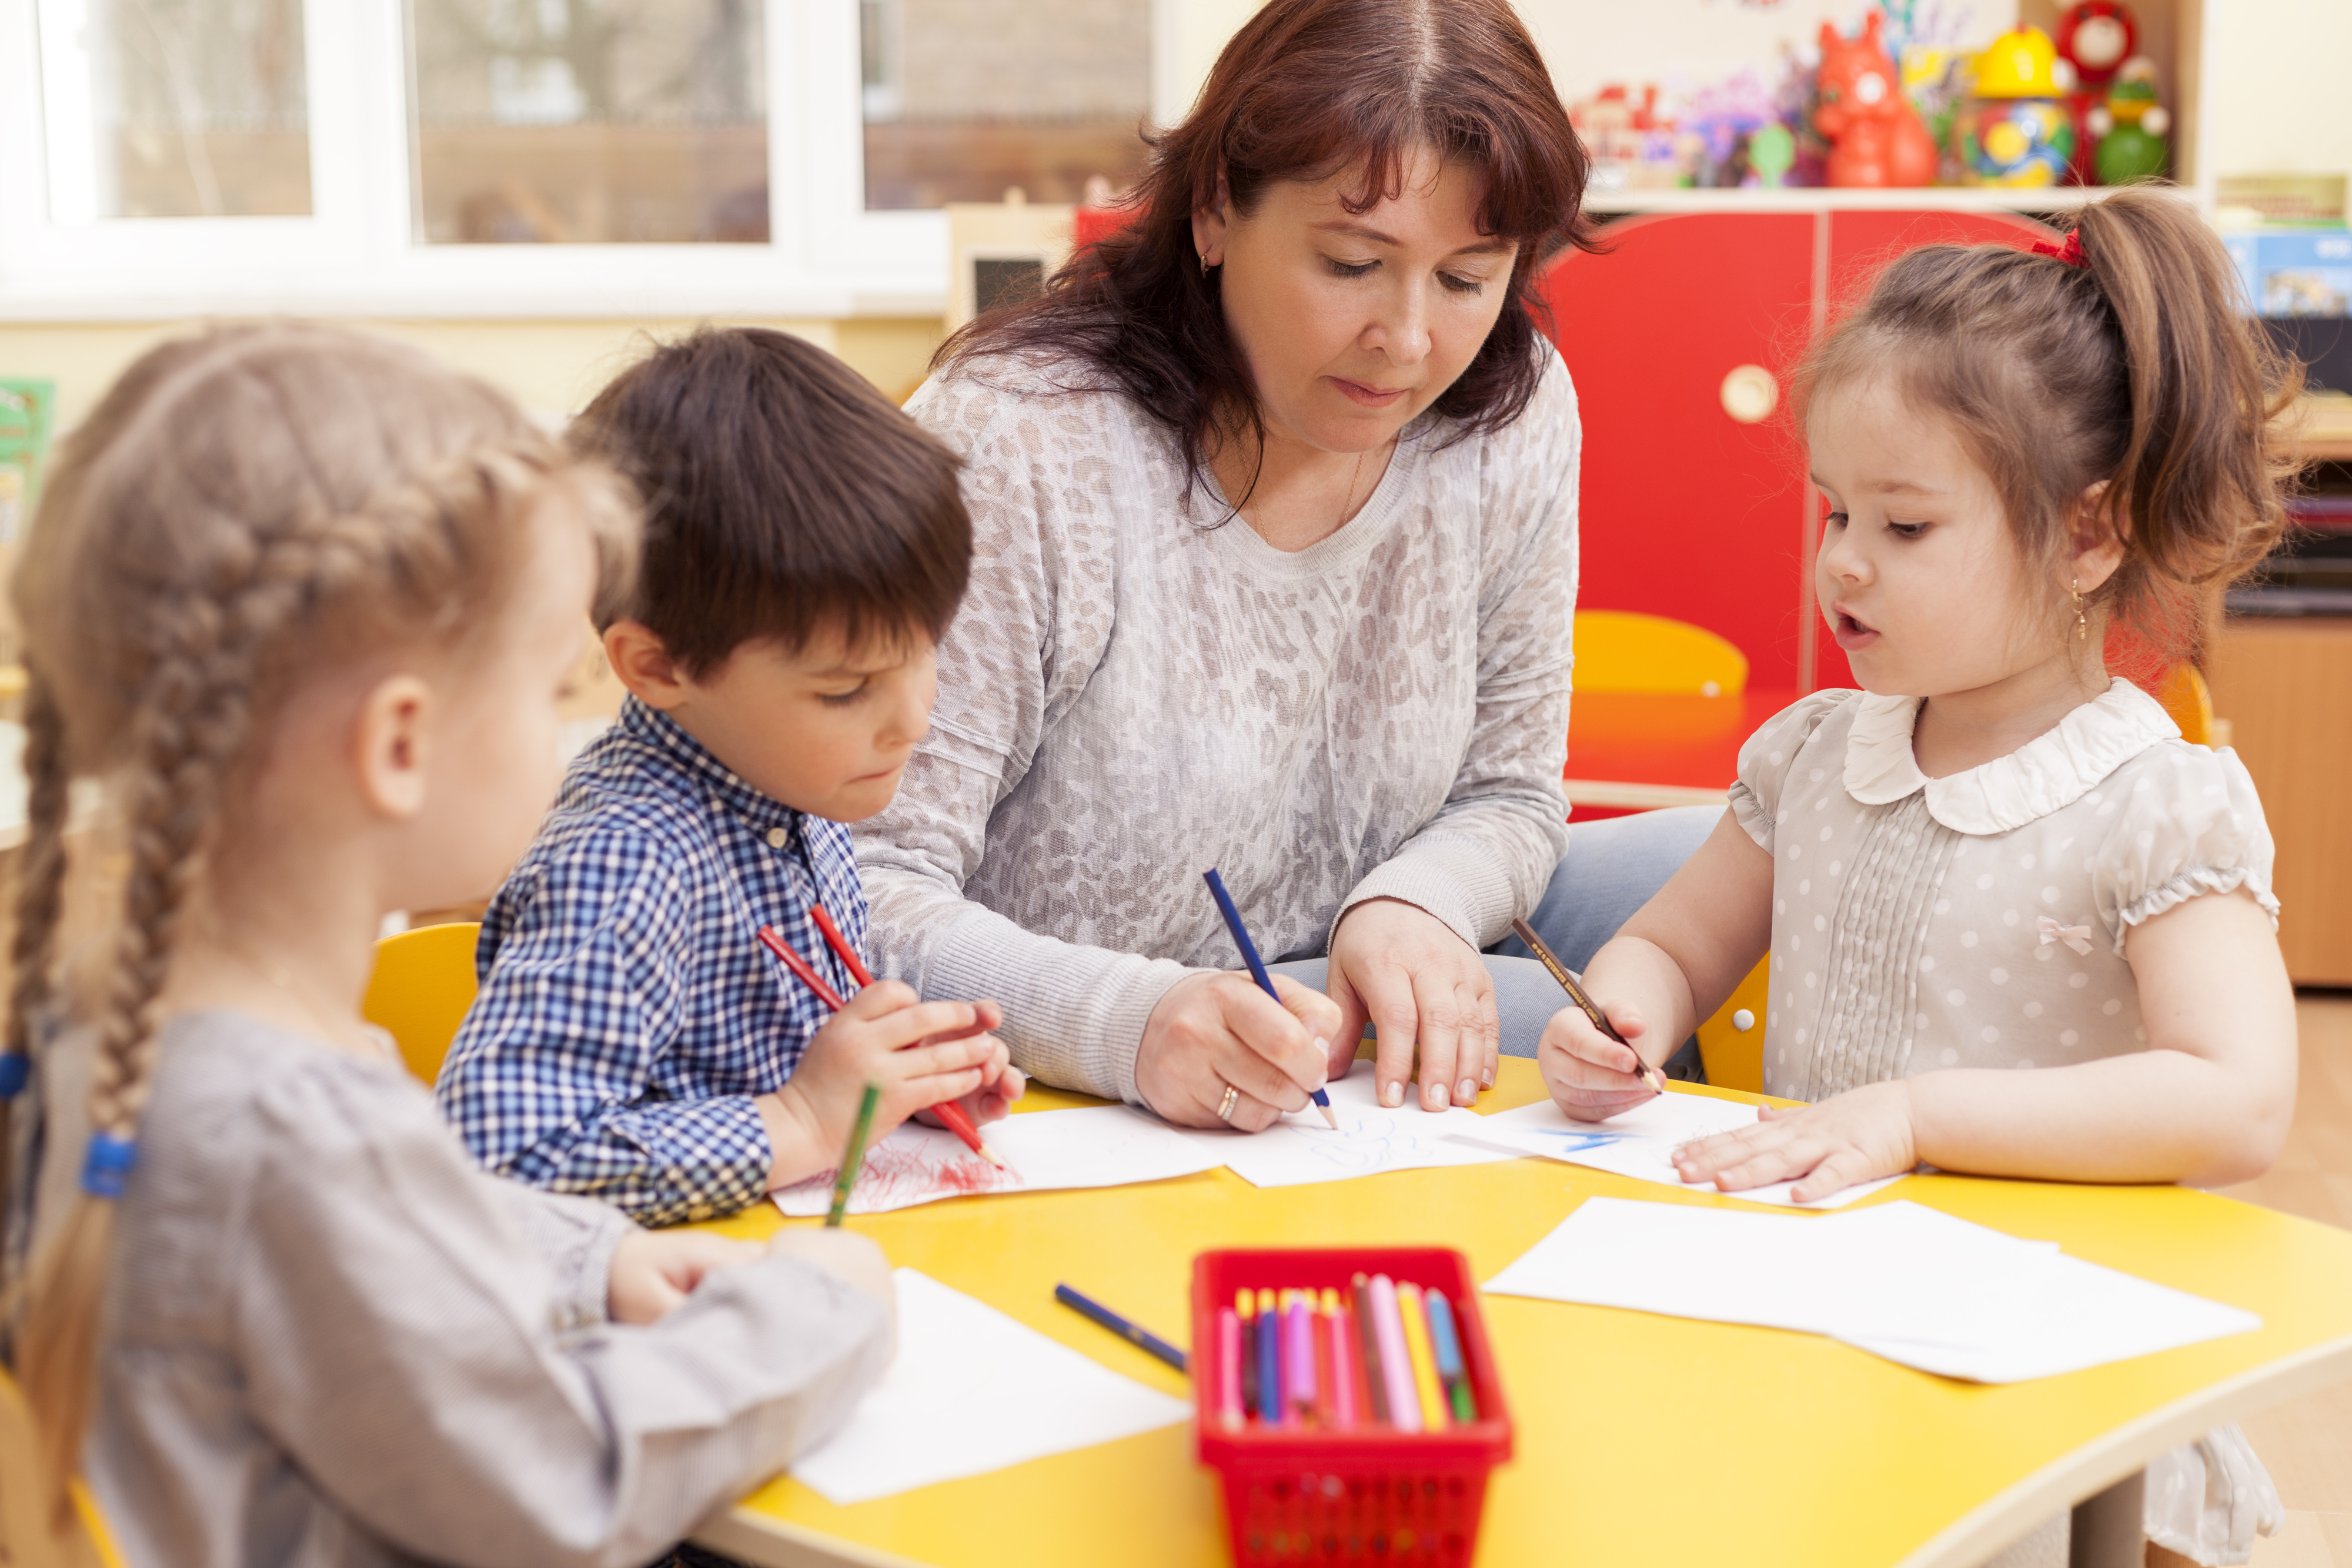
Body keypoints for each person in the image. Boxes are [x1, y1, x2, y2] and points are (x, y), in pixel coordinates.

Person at [2, 325, 897, 1566]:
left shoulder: (143, 1027)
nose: (562, 736)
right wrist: (817, 1308)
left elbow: (357, 1253)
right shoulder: (291, 1132)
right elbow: (570, 1479)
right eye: (547, 690)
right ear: (400, 746)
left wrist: (597, 1255)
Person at [1536, 192, 2297, 1565]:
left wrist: (1911, 1113)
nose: (1839, 562)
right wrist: (1622, 1015)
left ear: (2084, 535)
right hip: (1822, 1321)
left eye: (1903, 526)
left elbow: (2235, 1099)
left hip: (2045, 1366)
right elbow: (1668, 942)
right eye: (1832, 509)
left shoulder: (2151, 799)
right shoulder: (1818, 756)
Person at [856, 0, 1718, 1137]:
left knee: (1739, 859)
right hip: (1119, 1024)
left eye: (1468, 278)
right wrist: (1130, 1020)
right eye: (1354, 264)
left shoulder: (1510, 411)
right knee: (1580, 1035)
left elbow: (1511, 794)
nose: (1408, 340)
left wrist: (1418, 902)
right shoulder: (1025, 440)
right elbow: (856, 882)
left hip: (1345, 957)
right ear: (1215, 210)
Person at [436, 329, 1023, 1226]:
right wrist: (802, 1120)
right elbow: (500, 1160)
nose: (911, 719)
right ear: (659, 667)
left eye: (924, 656)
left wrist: (894, 1091)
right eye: (846, 689)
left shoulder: (790, 790)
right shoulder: (624, 866)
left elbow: (789, 1061)